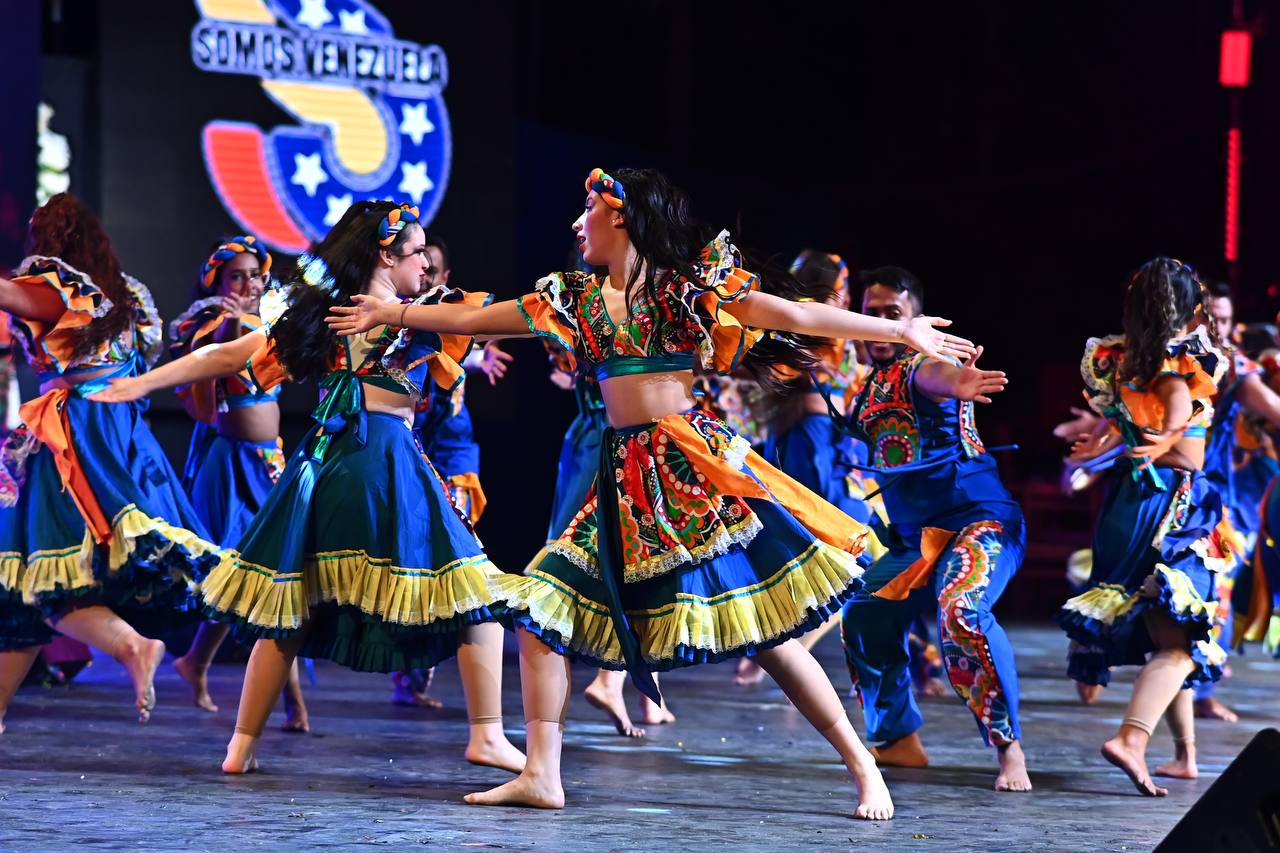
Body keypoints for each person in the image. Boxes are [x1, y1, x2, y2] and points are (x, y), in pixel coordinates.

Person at [328, 167, 978, 818]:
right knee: (540, 616)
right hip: (620, 481)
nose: (577, 222)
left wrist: (901, 333)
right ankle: (542, 774)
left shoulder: (686, 288)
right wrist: (394, 311)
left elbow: (798, 313)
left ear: (622, 215)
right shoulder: (573, 299)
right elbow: (476, 316)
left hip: (689, 473)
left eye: (588, 207)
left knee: (769, 635)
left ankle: (863, 764)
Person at [91, 201, 523, 777]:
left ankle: (241, 747)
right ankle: (486, 735)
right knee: (477, 594)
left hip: (324, 467)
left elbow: (227, 356)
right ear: (385, 255)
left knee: (291, 609)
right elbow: (506, 318)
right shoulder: (417, 313)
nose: (426, 263)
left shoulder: (328, 318)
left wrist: (140, 384)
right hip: (384, 464)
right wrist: (576, 311)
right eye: (417, 252)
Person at [0, 193, 221, 730]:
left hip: (73, 438)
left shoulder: (58, 289)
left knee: (43, 575)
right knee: (40, 583)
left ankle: (128, 645)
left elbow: (7, 294)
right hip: (120, 434)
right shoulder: (123, 298)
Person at [838, 265, 1029, 792]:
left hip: (979, 524)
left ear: (915, 319)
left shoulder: (922, 364)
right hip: (918, 540)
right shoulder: (869, 381)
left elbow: (936, 377)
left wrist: (957, 381)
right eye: (872, 313)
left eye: (893, 314)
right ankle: (897, 739)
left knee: (962, 609)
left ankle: (1009, 750)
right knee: (866, 614)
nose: (881, 322)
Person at [1059, 258, 1228, 797]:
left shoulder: (1123, 361)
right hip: (1170, 507)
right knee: (1180, 644)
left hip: (1128, 505)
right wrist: (1168, 436)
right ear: (1192, 307)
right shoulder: (1180, 362)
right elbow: (1179, 418)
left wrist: (1101, 448)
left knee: (1170, 633)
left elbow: (1122, 424)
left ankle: (1185, 755)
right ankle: (1132, 739)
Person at [166, 236, 309, 730]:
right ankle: (288, 700)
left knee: (272, 576)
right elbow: (202, 407)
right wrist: (225, 333)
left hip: (270, 463)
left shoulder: (270, 324)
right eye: (237, 276)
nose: (249, 284)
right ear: (218, 282)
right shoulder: (207, 327)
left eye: (255, 275)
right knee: (244, 574)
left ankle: (197, 662)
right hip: (230, 470)